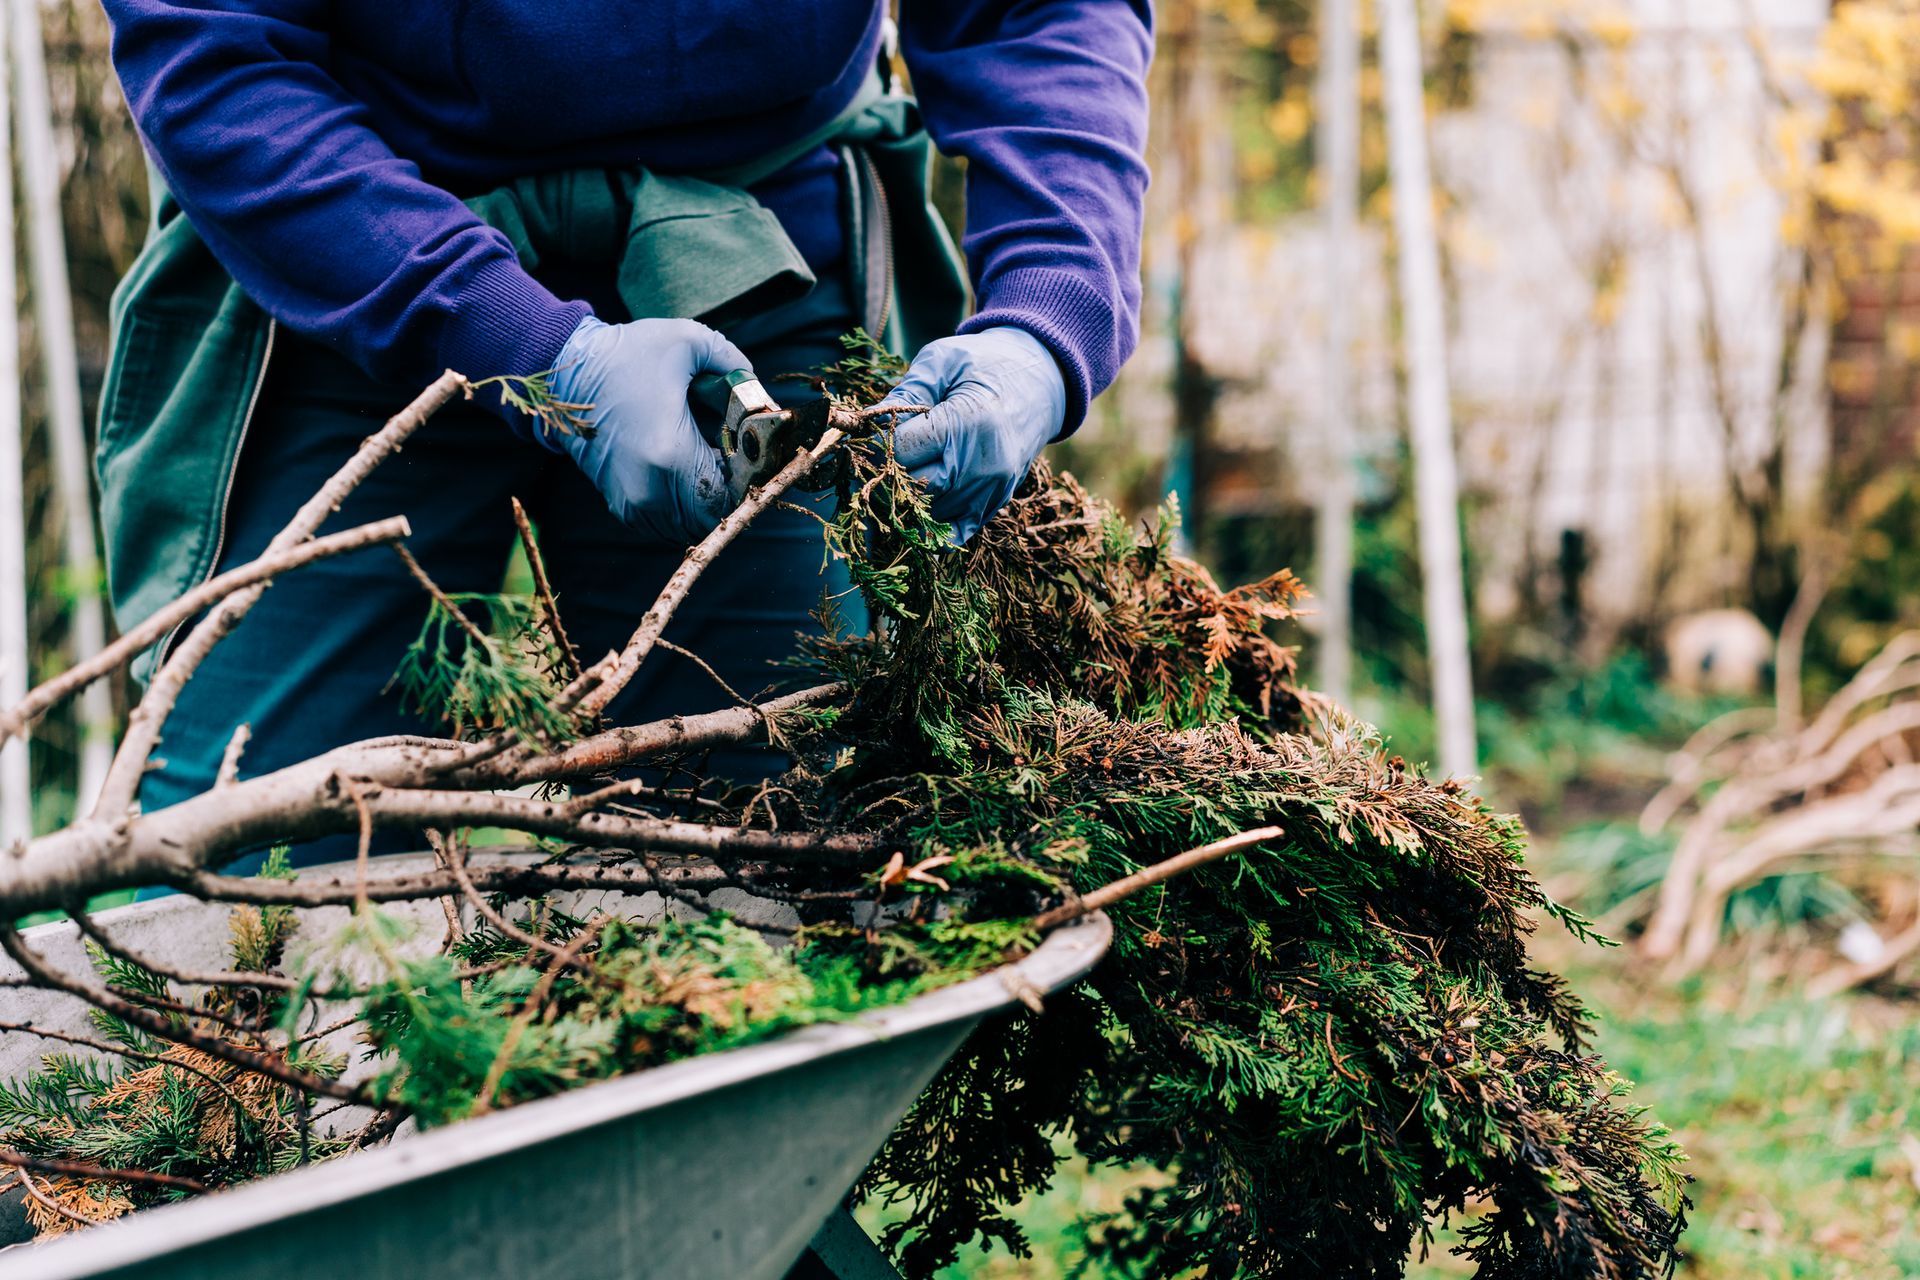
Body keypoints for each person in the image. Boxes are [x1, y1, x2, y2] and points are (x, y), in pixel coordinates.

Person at [96, 1, 1152, 863]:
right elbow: (216, 52)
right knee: (252, 870)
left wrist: (1045, 322)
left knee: (785, 847)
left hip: (762, 250)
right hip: (350, 249)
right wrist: (532, 345)